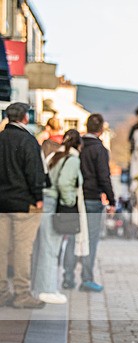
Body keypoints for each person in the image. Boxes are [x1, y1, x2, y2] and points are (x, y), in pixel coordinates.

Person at [0, 102, 48, 308]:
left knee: (1, 249)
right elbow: (34, 172)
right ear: (25, 117)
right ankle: (22, 293)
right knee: (22, 249)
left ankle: (2, 292)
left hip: (2, 203)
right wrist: (38, 196)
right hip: (24, 202)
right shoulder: (28, 140)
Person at [63, 113, 115, 292]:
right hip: (92, 198)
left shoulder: (78, 146)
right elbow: (104, 176)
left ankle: (67, 278)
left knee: (72, 237)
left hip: (75, 199)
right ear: (101, 130)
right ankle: (86, 279)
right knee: (90, 240)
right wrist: (111, 199)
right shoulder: (100, 150)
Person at [33, 129, 85, 305]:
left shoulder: (55, 156)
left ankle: (39, 288)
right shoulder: (72, 159)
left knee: (43, 247)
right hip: (55, 204)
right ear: (79, 145)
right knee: (51, 249)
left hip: (45, 201)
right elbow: (64, 183)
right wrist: (69, 202)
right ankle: (47, 290)